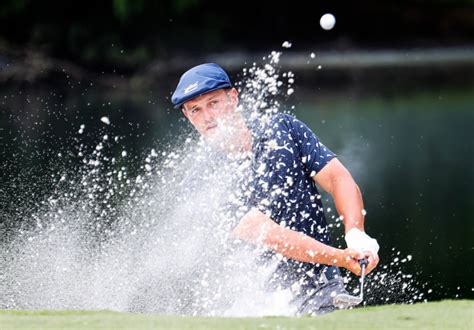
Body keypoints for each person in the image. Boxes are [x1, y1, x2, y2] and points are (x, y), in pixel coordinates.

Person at [171, 63, 380, 315]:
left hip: (320, 287)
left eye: (213, 103)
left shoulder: (282, 130)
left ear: (233, 97)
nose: (207, 117)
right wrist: (339, 257)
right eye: (195, 110)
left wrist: (356, 235)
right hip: (255, 301)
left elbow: (337, 178)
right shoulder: (201, 183)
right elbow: (267, 233)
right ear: (187, 116)